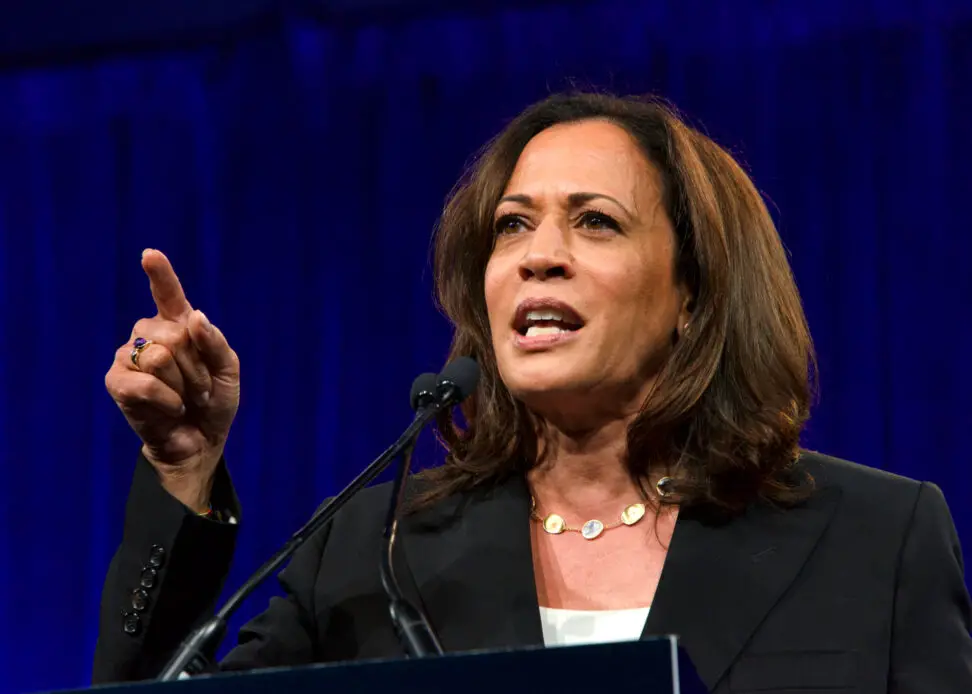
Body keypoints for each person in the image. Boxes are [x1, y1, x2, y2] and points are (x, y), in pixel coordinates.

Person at [95, 92, 972, 693]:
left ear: (694, 292)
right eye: (513, 224)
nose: (535, 254)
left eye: (595, 222)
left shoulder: (875, 540)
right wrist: (183, 465)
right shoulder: (375, 547)